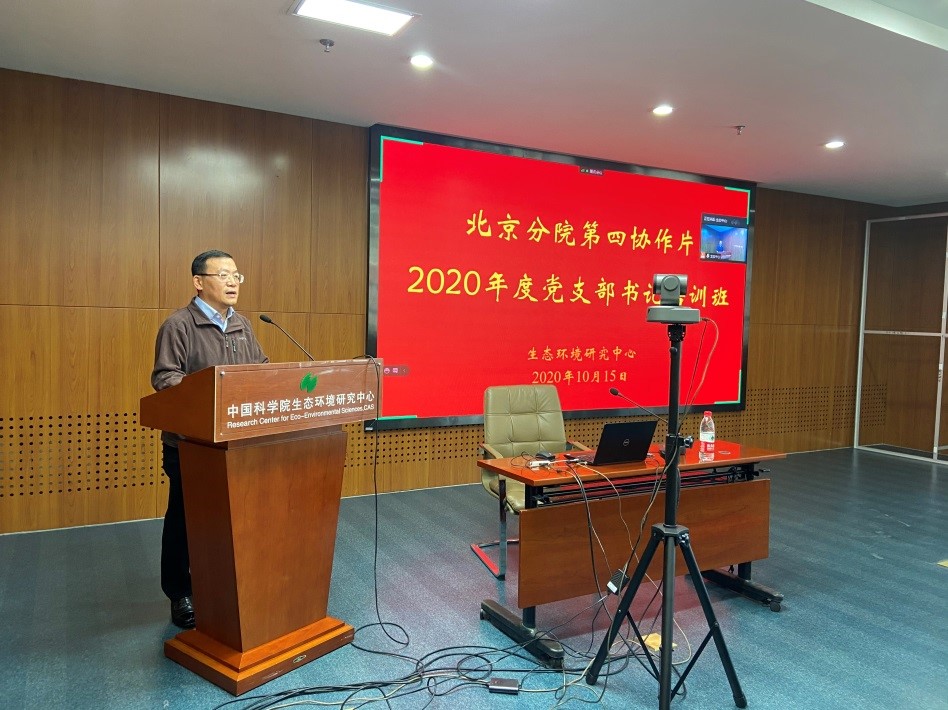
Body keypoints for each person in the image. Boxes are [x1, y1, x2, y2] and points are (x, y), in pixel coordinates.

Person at [151, 250, 268, 628]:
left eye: (236, 275)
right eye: (223, 275)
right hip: (192, 444)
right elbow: (165, 378)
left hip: (238, 442)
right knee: (185, 518)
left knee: (233, 517)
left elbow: (261, 370)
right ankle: (180, 592)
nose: (233, 282)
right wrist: (211, 396)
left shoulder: (243, 325)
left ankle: (221, 582)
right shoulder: (179, 325)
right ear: (199, 282)